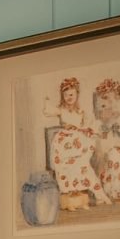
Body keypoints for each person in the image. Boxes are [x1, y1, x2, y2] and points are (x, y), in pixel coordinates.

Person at [43, 76, 110, 205]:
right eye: (66, 95)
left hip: (77, 141)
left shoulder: (81, 111)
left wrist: (86, 129)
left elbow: (88, 125)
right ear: (63, 96)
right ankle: (80, 193)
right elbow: (47, 111)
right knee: (71, 163)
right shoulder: (61, 110)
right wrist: (46, 98)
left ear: (77, 95)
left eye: (72, 95)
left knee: (82, 161)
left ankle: (99, 194)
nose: (69, 97)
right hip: (65, 142)